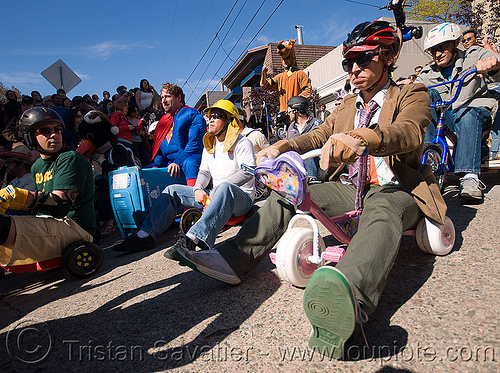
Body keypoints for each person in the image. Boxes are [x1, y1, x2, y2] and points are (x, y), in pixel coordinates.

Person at [176, 20, 447, 359]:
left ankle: (350, 298)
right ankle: (234, 260)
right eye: (349, 62)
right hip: (352, 189)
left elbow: (409, 132)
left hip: (398, 186)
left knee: (383, 208)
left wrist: (364, 138)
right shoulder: (348, 105)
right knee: (289, 191)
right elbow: (318, 136)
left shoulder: (411, 93)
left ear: (388, 56)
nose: (354, 69)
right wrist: (281, 146)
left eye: (364, 59)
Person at [112, 100, 255, 256]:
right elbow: (204, 172)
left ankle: (193, 239)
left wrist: (219, 188)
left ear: (230, 121)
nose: (211, 119)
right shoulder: (210, 144)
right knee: (171, 191)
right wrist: (198, 189)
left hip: (240, 198)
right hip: (215, 195)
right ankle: (144, 235)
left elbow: (248, 172)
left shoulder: (243, 143)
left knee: (224, 188)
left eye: (217, 116)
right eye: (209, 116)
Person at [0, 107, 96, 269]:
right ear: (30, 137)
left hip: (76, 229)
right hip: (47, 224)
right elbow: (39, 207)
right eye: (45, 130)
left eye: (57, 129)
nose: (54, 134)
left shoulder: (70, 159)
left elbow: (60, 205)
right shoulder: (37, 166)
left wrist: (18, 196)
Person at [416, 23, 500, 201]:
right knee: (425, 95)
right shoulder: (427, 72)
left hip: (475, 114)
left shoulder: (474, 54)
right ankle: (430, 159)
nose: (437, 54)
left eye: (442, 48)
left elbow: (495, 60)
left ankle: (469, 177)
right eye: (433, 50)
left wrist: (493, 63)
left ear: (455, 43)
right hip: (446, 118)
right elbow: (415, 88)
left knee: (467, 113)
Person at [146, 82, 206, 187]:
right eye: (162, 97)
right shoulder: (162, 122)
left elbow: (194, 145)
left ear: (179, 98)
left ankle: (195, 198)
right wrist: (156, 165)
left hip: (189, 160)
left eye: (168, 97)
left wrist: (178, 162)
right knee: (147, 170)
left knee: (190, 162)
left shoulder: (191, 114)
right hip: (171, 164)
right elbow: (160, 151)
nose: (164, 101)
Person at [260, 39, 312, 112]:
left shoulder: (300, 74)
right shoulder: (280, 77)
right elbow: (265, 86)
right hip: (284, 115)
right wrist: (264, 74)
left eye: (287, 59)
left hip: (297, 114)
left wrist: (295, 103)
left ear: (292, 58)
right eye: (283, 59)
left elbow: (307, 90)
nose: (285, 61)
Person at [285, 96, 322, 178]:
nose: (288, 114)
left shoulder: (317, 124)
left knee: (308, 152)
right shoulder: (291, 127)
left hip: (315, 160)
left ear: (296, 111)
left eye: (289, 111)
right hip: (296, 164)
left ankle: (312, 179)